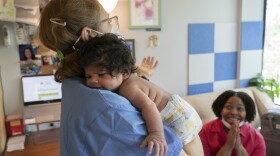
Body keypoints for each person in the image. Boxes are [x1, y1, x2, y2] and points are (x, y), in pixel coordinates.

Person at [38, 0, 187, 155]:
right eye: (107, 21)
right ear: (89, 35)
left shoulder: (72, 84)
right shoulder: (110, 108)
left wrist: (141, 74)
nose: (113, 27)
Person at [78, 33, 204, 156]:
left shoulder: (127, 88)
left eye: (101, 74)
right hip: (179, 109)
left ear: (125, 72)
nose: (92, 81)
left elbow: (149, 106)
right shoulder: (130, 79)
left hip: (176, 117)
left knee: (190, 148)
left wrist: (156, 133)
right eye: (88, 76)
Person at [199, 90, 266, 156]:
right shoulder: (204, 132)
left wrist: (239, 146)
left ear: (247, 113)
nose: (233, 112)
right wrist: (229, 144)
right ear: (221, 109)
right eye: (229, 107)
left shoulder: (257, 138)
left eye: (240, 109)